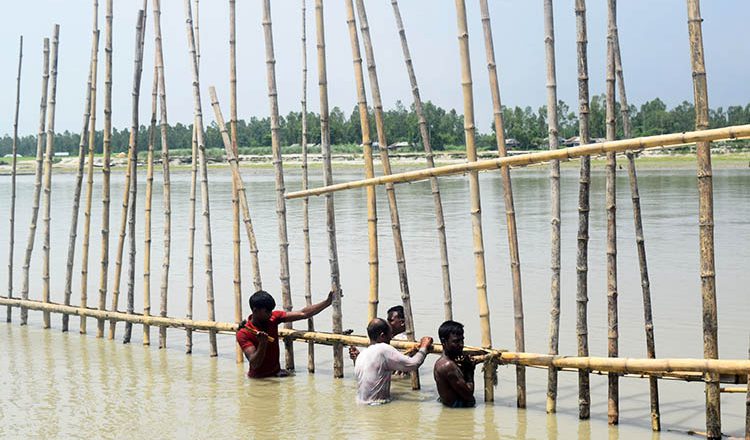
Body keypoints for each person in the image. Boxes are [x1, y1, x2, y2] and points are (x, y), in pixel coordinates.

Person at [236, 289, 334, 378]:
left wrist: (327, 302)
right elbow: (254, 364)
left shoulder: (273, 318)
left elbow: (303, 313)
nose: (270, 314)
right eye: (267, 311)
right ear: (255, 311)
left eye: (271, 311)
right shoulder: (244, 333)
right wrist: (262, 344)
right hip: (259, 380)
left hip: (276, 374)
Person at [354, 318, 433, 405]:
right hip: (376, 406)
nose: (391, 338)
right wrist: (424, 348)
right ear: (382, 336)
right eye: (389, 334)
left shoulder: (362, 355)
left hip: (360, 404)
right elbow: (413, 364)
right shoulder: (383, 349)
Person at [433, 320, 476, 408]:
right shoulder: (448, 366)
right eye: (456, 341)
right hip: (459, 412)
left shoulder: (443, 362)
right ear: (444, 342)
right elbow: (468, 394)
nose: (461, 345)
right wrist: (470, 370)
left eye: (462, 340)